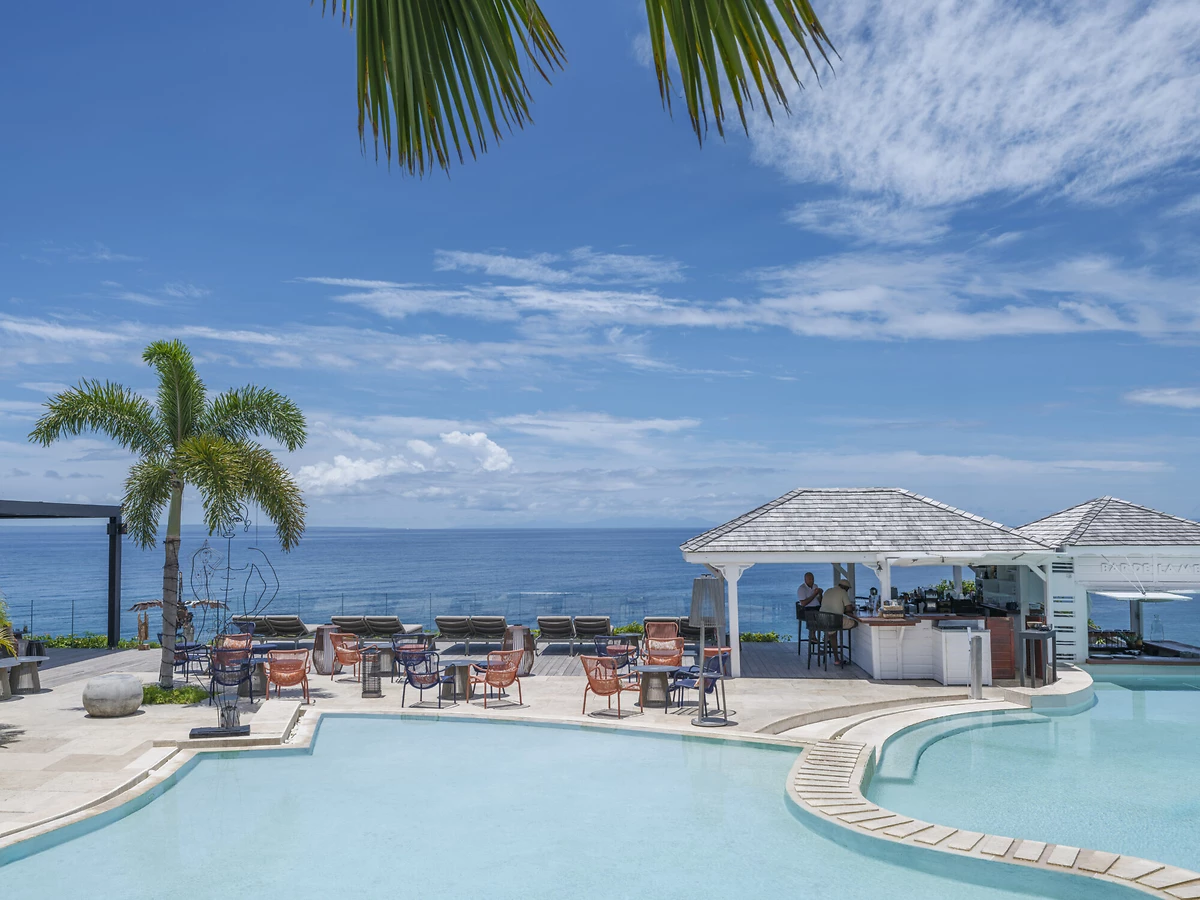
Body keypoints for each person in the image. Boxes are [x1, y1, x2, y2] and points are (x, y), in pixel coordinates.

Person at [820, 577, 853, 665]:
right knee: (855, 623)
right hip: (834, 620)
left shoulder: (828, 590)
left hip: (822, 620)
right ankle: (837, 658)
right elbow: (849, 608)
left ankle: (827, 637)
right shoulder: (842, 592)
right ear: (845, 588)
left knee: (833, 633)